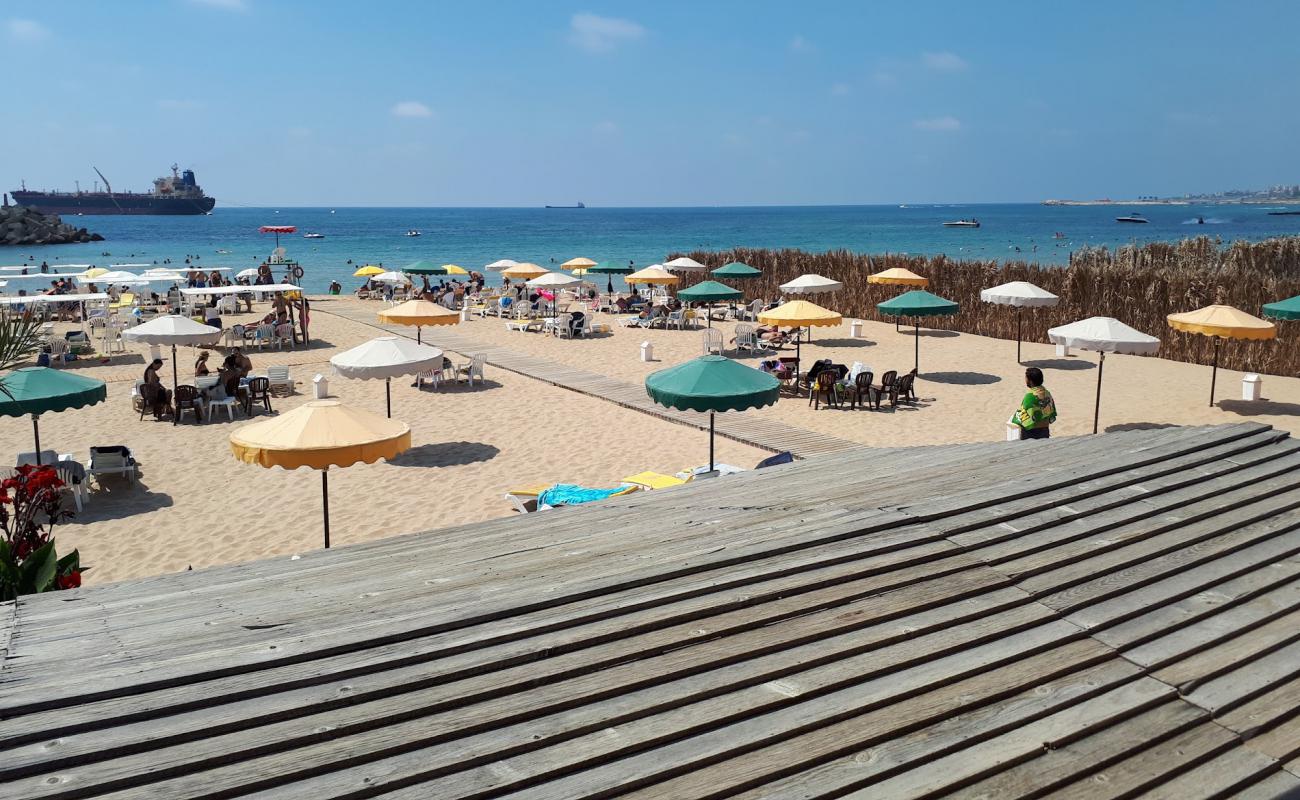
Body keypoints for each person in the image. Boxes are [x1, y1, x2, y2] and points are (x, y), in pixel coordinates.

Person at [1013, 367, 1057, 440]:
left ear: (1030, 381)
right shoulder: (1047, 393)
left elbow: (1023, 416)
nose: (1025, 380)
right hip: (1044, 430)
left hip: (1031, 432)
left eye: (1026, 378)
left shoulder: (1030, 396)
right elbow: (1051, 412)